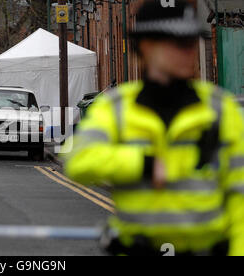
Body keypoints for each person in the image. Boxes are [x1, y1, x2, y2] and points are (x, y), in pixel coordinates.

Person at [63, 0, 244, 256]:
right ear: (146, 46)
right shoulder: (115, 108)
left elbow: (240, 196)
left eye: (192, 42)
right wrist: (143, 163)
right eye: (177, 43)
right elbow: (78, 161)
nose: (189, 51)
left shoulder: (220, 109)